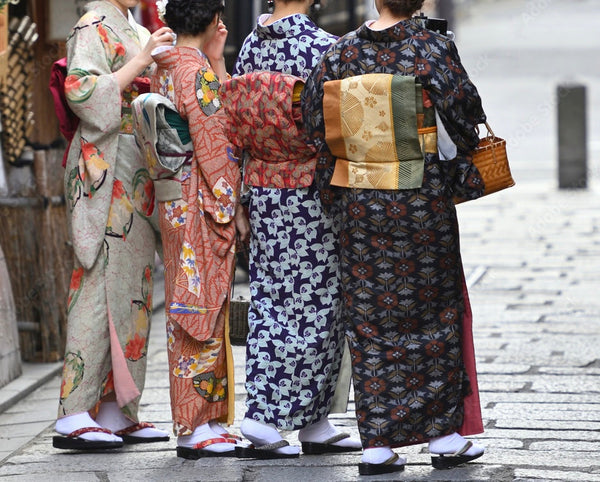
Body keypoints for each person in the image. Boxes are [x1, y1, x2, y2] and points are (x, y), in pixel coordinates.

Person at [302, 0, 487, 475]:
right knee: (434, 312)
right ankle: (444, 437)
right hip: (421, 200)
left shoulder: (339, 55)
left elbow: (311, 121)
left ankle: (377, 445)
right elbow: (466, 117)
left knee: (369, 318)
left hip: (361, 204)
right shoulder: (432, 49)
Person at [221, 0, 361, 459]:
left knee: (273, 300)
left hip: (262, 189)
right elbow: (335, 128)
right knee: (319, 304)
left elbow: (236, 130)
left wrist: (241, 198)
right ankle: (262, 417)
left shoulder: (248, 49)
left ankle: (312, 419)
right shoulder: (323, 48)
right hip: (308, 192)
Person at [53, 0, 175, 450]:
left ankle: (115, 409)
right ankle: (72, 412)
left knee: (134, 287)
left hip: (132, 160)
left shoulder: (127, 24)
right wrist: (142, 62)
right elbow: (81, 92)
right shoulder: (93, 23)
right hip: (103, 162)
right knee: (98, 281)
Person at [135, 0, 249, 459]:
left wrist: (216, 56)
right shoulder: (193, 72)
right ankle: (193, 423)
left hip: (173, 198)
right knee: (197, 311)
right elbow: (213, 147)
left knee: (189, 305)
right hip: (199, 199)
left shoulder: (165, 63)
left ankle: (201, 420)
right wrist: (232, 204)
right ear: (211, 21)